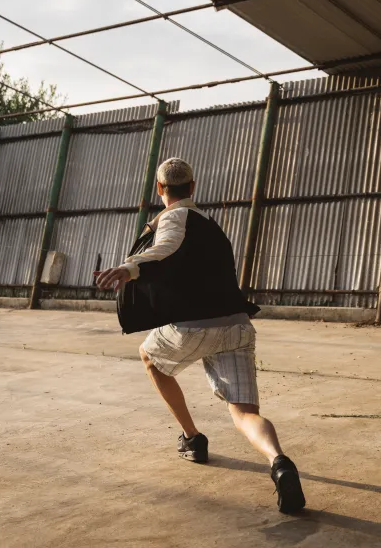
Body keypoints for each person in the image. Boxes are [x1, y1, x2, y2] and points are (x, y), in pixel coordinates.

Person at [94, 157, 306, 514]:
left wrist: (130, 268)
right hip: (237, 325)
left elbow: (166, 247)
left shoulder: (174, 217)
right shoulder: (211, 224)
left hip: (194, 326)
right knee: (244, 414)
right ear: (193, 186)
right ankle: (279, 461)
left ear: (160, 189)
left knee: (149, 357)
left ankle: (192, 439)